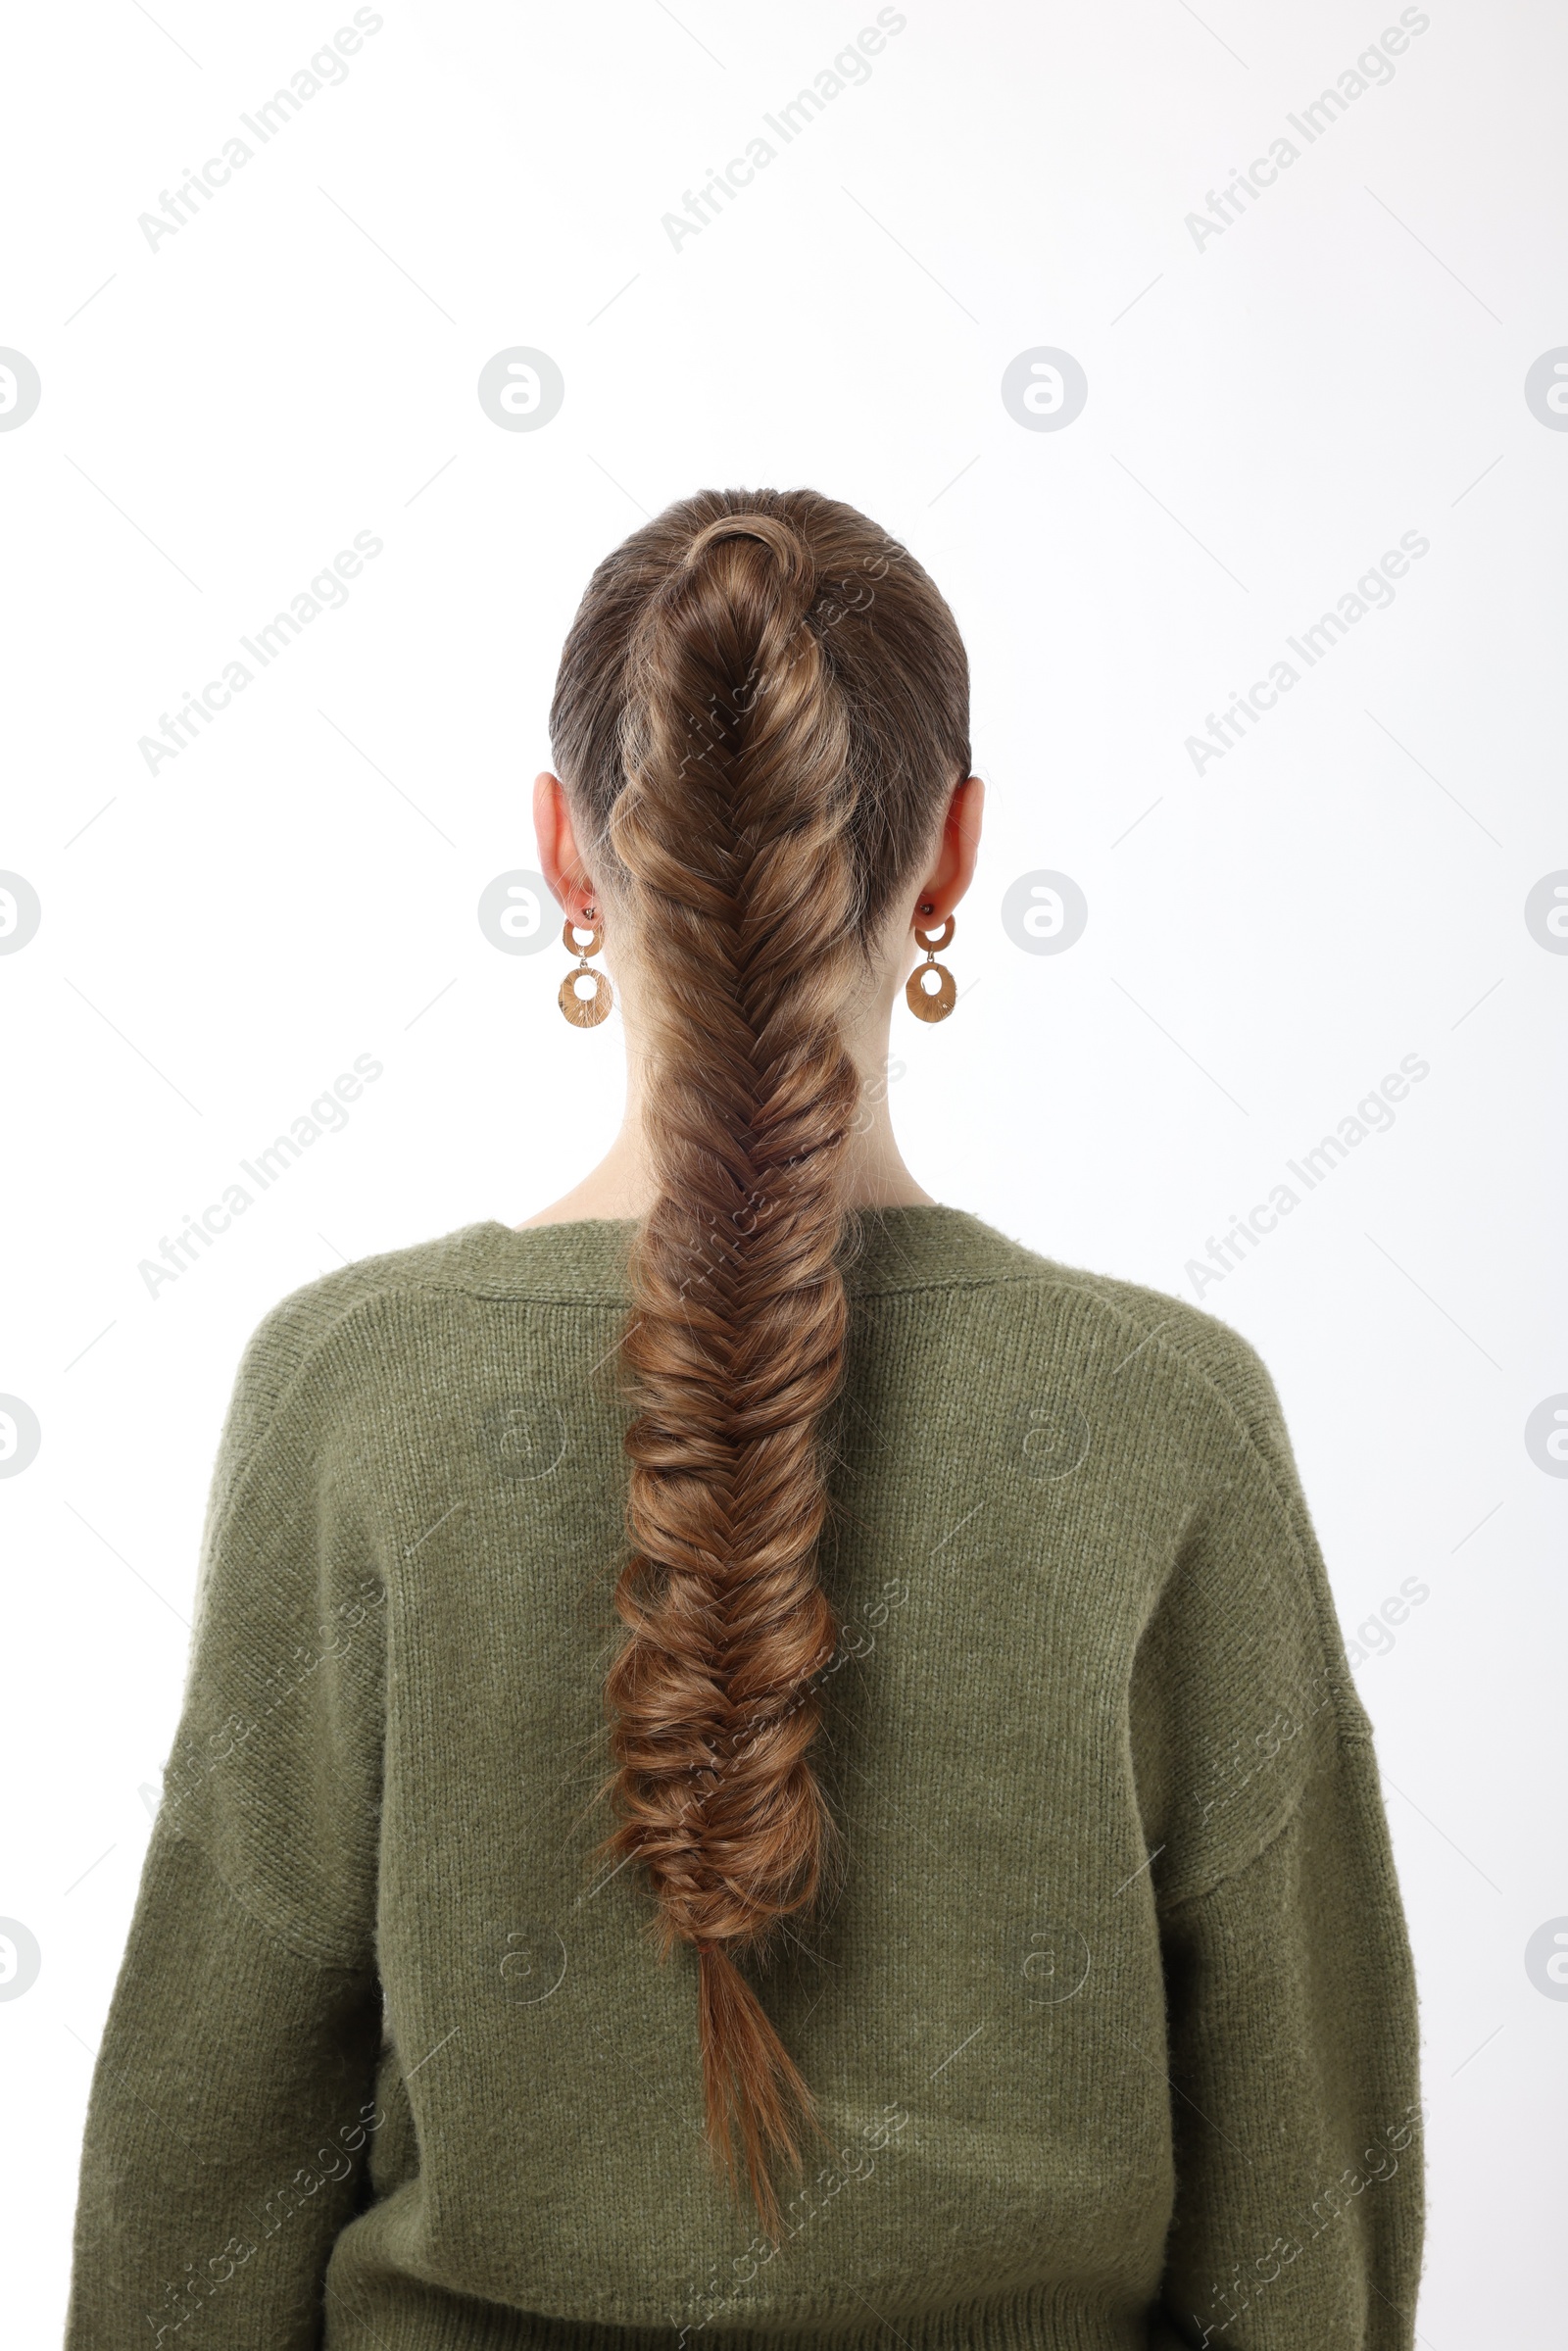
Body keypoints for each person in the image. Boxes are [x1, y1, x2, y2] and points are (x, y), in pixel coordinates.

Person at [65, 488, 1424, 2349]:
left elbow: (198, 2178)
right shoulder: (1166, 1421)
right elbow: (1307, 2199)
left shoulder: (355, 1394)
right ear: (950, 858)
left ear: (564, 855)